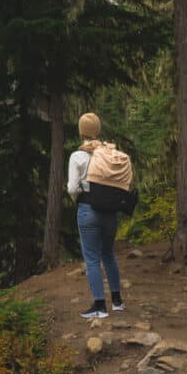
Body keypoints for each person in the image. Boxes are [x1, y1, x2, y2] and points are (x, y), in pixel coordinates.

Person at [67, 112, 125, 319]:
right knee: (108, 254)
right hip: (110, 211)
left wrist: (78, 200)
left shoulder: (78, 156)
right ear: (98, 130)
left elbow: (73, 187)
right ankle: (117, 302)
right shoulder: (110, 153)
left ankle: (100, 306)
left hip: (87, 210)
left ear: (82, 131)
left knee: (92, 258)